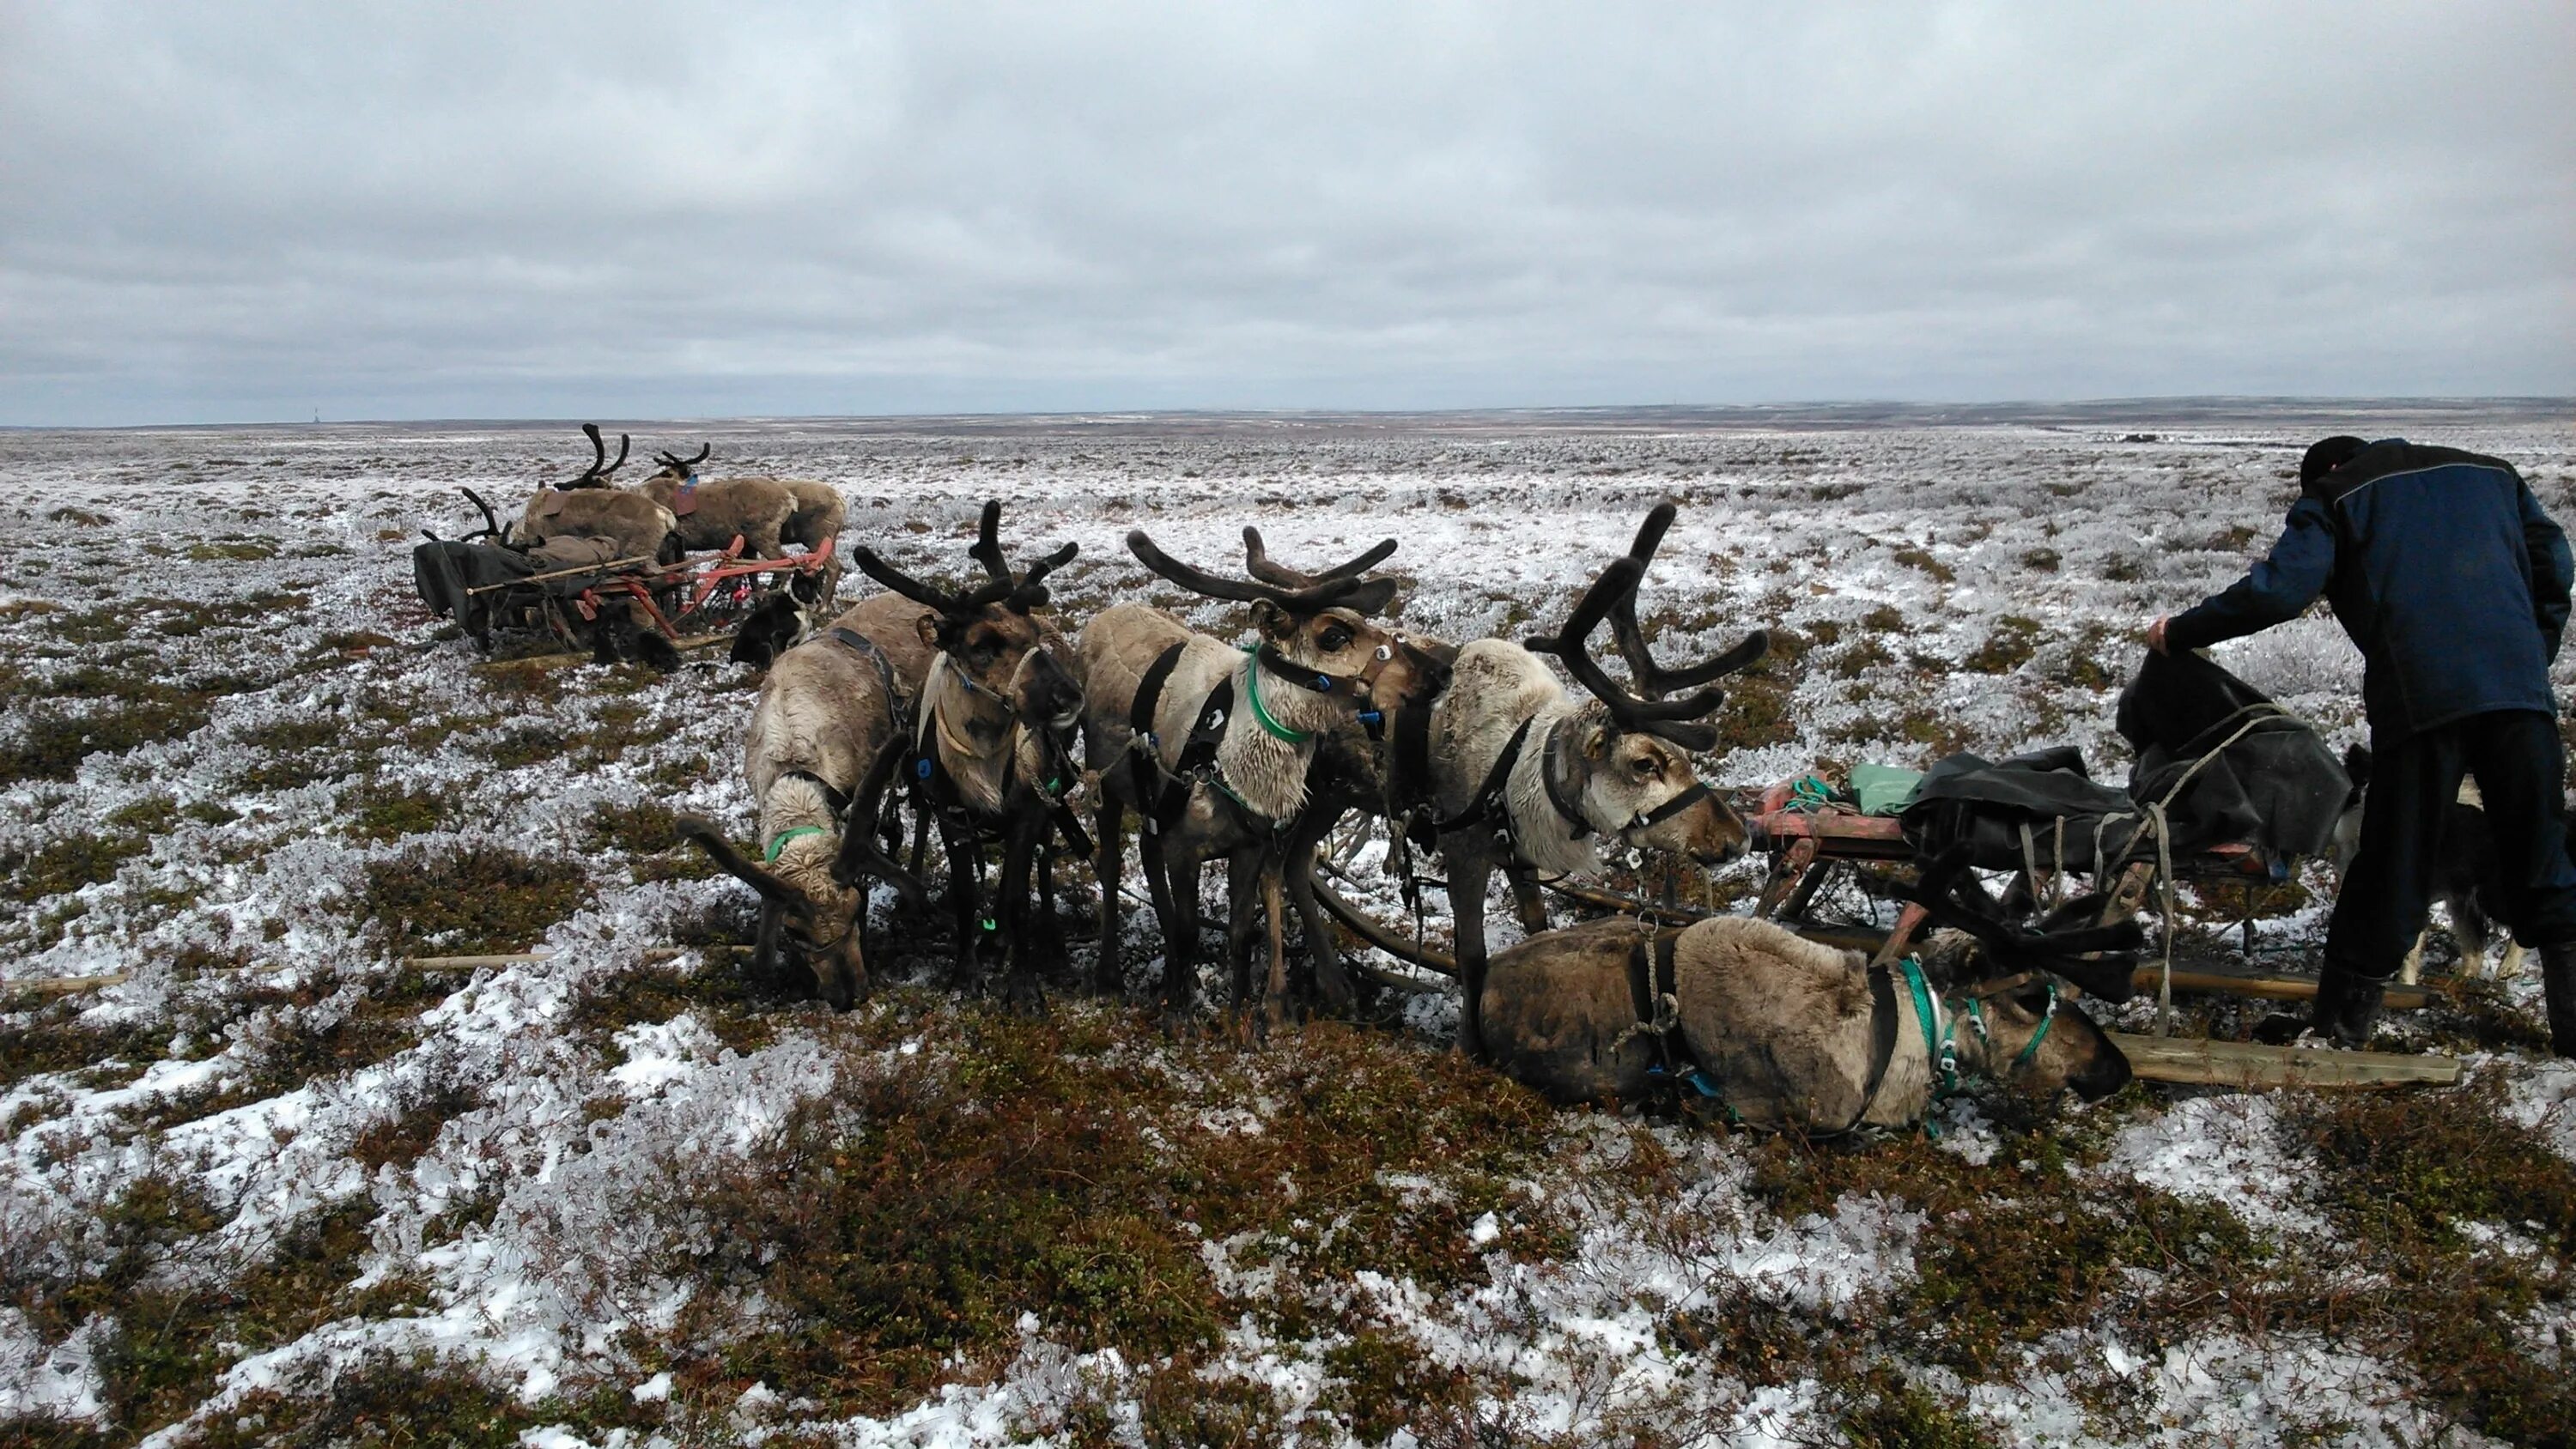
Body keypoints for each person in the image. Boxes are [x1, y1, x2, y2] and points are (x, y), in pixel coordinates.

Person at [2148, 434, 2576, 1053]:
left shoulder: (2334, 495)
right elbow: (2555, 566)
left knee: (2393, 863)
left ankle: (2340, 1029)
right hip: (2520, 695)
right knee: (2543, 857)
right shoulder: (2493, 474)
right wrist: (2531, 657)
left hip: (2421, 698)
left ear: (2323, 474)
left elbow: (2281, 590)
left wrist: (2183, 631)